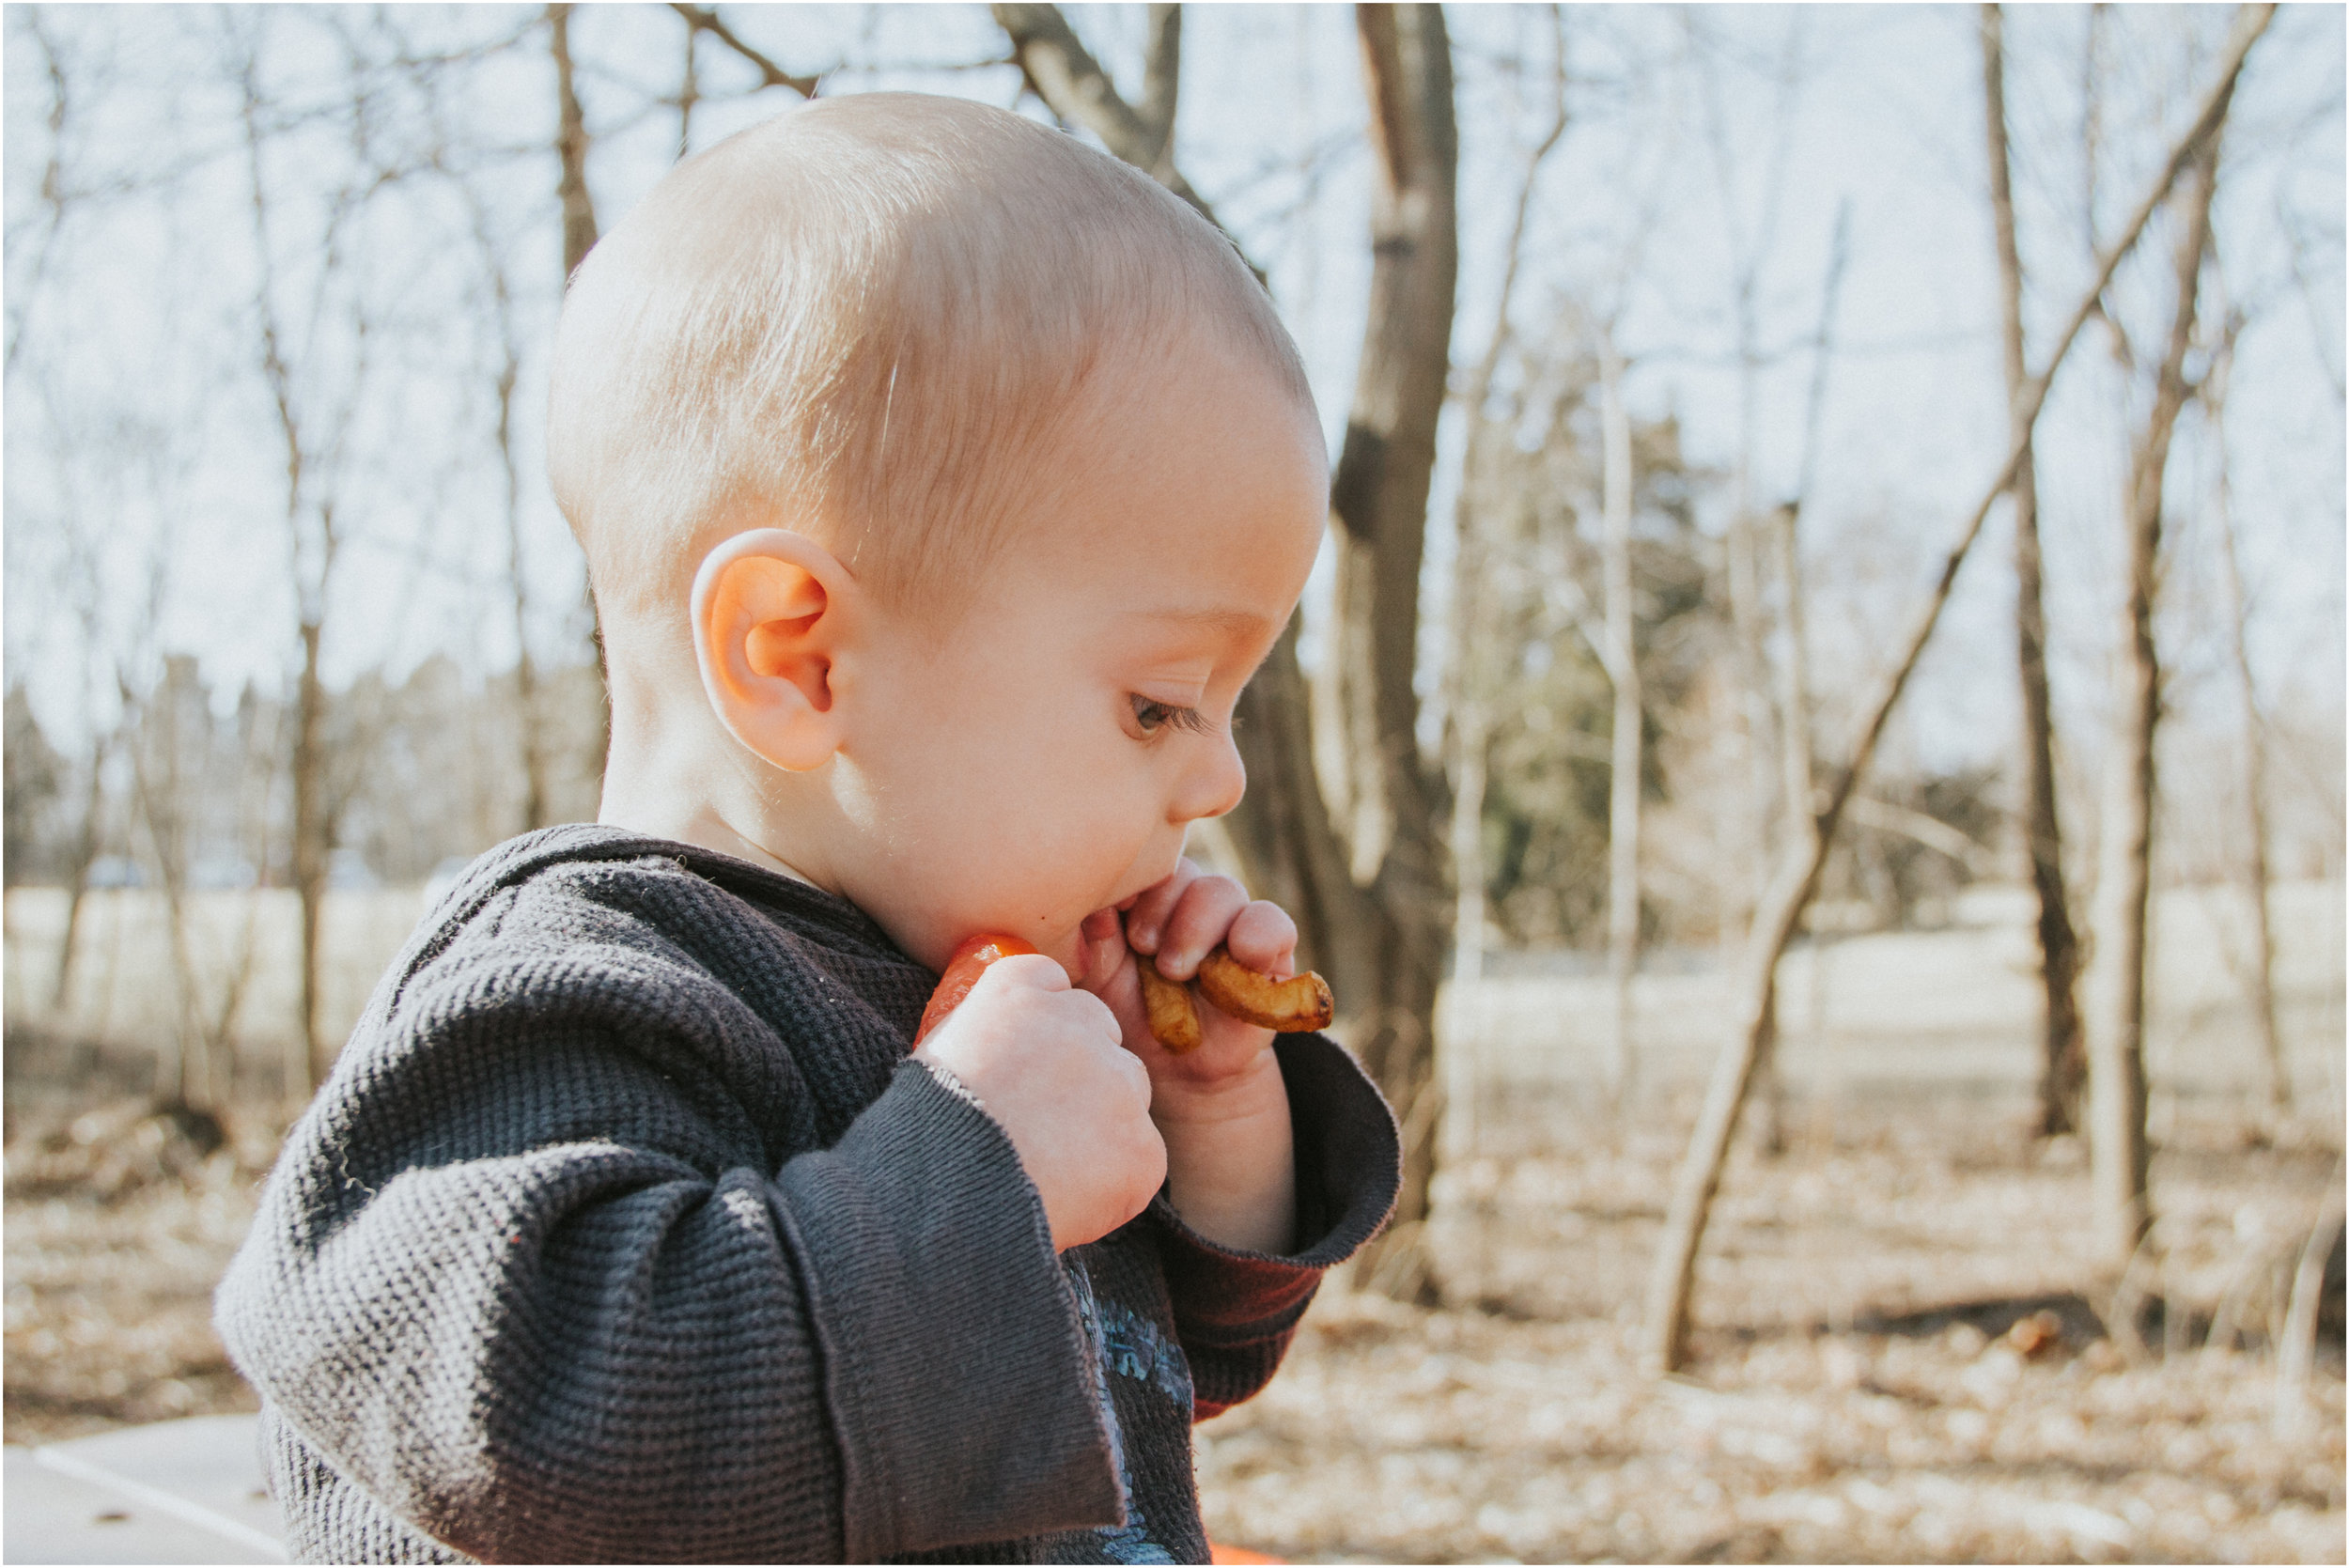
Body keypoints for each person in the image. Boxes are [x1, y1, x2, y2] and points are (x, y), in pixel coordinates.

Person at [215, 91, 1399, 1565]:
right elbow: (542, 1436)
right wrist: (984, 1171)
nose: (1216, 775)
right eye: (1160, 701)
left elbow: (1135, 1376)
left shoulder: (959, 981)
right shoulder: (569, 992)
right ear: (800, 658)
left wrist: (1208, 1122)